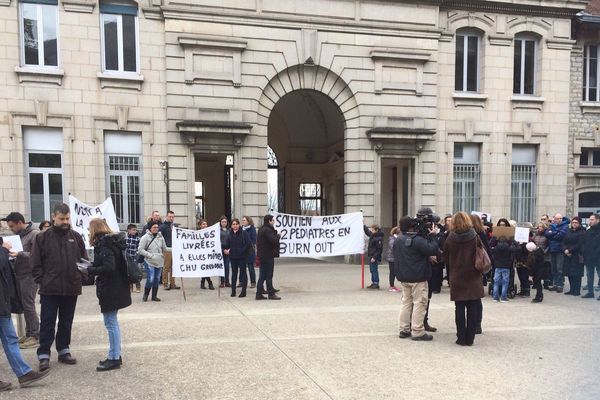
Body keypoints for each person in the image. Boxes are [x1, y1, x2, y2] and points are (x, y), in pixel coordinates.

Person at [31, 203, 87, 371]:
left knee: (66, 321)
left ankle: (63, 350)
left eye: (67, 218)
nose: (65, 221)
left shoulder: (76, 237)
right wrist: (43, 280)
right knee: (47, 322)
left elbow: (83, 260)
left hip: (71, 287)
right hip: (50, 289)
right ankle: (44, 354)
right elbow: (35, 263)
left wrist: (81, 276)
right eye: (62, 218)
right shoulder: (42, 237)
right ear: (54, 217)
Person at [0, 239, 49, 390]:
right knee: (10, 339)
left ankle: (24, 373)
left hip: (3, 303)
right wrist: (4, 250)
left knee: (11, 339)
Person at [86, 219, 132, 371]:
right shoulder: (111, 243)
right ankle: (115, 355)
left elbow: (109, 268)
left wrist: (89, 270)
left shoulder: (104, 245)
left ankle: (114, 358)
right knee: (113, 323)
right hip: (117, 287)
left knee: (111, 323)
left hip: (111, 289)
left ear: (95, 230)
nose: (88, 232)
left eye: (89, 229)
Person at [393, 216, 439, 341]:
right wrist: (433, 236)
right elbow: (432, 249)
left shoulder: (399, 239)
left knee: (406, 303)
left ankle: (404, 329)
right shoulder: (417, 240)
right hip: (418, 277)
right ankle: (417, 331)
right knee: (420, 303)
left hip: (404, 276)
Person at [443, 212, 484, 346]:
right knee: (473, 307)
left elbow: (445, 257)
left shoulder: (450, 238)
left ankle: (461, 337)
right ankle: (470, 338)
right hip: (473, 275)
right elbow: (482, 252)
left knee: (459, 308)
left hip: (457, 275)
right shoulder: (474, 236)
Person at [2, 212, 40, 349]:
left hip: (30, 275)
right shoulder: (18, 236)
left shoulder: (35, 234)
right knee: (24, 304)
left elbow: (38, 255)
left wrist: (20, 254)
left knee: (28, 304)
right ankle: (30, 332)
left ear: (19, 223)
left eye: (12, 226)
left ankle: (35, 335)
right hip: (19, 273)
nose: (11, 229)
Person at [469, 214, 490, 334]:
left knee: (473, 298)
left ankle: (474, 323)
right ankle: (477, 324)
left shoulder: (472, 233)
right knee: (477, 298)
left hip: (472, 268)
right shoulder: (482, 233)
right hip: (479, 268)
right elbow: (488, 250)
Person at [137, 221, 167, 302]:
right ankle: (145, 295)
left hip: (159, 261)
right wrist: (150, 255)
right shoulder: (145, 237)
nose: (156, 229)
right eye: (154, 227)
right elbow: (140, 249)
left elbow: (165, 248)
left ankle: (154, 296)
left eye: (157, 227)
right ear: (150, 228)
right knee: (151, 278)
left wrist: (175, 249)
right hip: (149, 261)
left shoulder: (161, 237)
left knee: (157, 279)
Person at [256, 215, 281, 300]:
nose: (274, 222)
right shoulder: (267, 230)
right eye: (273, 220)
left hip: (263, 255)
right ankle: (271, 294)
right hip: (268, 255)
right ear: (269, 221)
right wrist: (278, 236)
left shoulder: (261, 229)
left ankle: (259, 293)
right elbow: (274, 241)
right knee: (268, 275)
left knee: (262, 275)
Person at [545, 213, 570, 293]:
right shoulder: (551, 226)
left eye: (560, 218)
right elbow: (547, 234)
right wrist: (555, 233)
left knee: (560, 269)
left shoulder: (565, 226)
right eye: (557, 218)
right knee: (553, 268)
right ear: (554, 219)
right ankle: (555, 284)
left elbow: (561, 235)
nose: (559, 220)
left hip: (560, 250)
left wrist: (553, 234)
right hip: (552, 249)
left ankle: (560, 285)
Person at [228, 218, 252, 298]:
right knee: (234, 274)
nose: (235, 226)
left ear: (239, 225)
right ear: (231, 225)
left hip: (242, 256)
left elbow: (248, 244)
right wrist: (226, 249)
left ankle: (243, 291)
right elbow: (227, 244)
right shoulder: (229, 233)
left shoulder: (243, 233)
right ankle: (233, 291)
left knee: (243, 273)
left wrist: (242, 251)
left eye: (236, 224)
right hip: (233, 257)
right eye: (233, 224)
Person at [562, 217, 585, 296]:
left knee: (577, 274)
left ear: (579, 223)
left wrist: (570, 250)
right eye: (573, 222)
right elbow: (563, 242)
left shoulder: (582, 232)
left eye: (576, 222)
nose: (574, 224)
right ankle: (571, 289)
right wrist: (565, 249)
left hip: (577, 255)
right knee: (569, 273)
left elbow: (579, 244)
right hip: (568, 255)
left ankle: (576, 290)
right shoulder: (569, 231)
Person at [491, 236, 518, 302]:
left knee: (496, 282)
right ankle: (503, 298)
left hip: (497, 266)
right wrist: (513, 241)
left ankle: (495, 298)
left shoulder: (496, 248)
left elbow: (488, 248)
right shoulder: (509, 248)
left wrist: (493, 240)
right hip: (506, 266)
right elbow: (518, 248)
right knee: (505, 283)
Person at [160, 211, 180, 291]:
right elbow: (160, 238)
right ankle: (165, 283)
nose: (171, 218)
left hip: (174, 248)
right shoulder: (163, 226)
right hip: (167, 249)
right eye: (170, 217)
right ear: (167, 216)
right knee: (166, 267)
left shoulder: (173, 226)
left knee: (174, 267)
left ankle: (172, 283)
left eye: (173, 217)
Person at [582, 213, 600, 299]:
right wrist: (583, 252)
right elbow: (584, 243)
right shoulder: (588, 231)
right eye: (590, 219)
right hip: (588, 257)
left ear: (597, 220)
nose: (590, 221)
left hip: (598, 257)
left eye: (592, 219)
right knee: (589, 276)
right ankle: (590, 292)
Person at [364, 224, 384, 289]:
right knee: (372, 270)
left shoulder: (378, 238)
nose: (371, 231)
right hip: (371, 255)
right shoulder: (373, 235)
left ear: (376, 230)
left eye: (372, 229)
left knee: (374, 269)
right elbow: (367, 232)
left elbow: (379, 249)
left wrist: (374, 257)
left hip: (374, 256)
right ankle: (373, 282)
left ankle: (376, 283)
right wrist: (363, 225)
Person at [532, 222, 551, 289]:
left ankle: (546, 284)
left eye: (541, 226)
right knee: (535, 270)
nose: (539, 228)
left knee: (545, 270)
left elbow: (549, 245)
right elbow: (532, 242)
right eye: (539, 226)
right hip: (536, 254)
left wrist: (544, 252)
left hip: (544, 255)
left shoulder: (546, 235)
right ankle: (535, 283)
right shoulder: (535, 235)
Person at [197, 219, 215, 290]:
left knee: (205, 268)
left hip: (207, 253)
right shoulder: (197, 233)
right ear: (200, 225)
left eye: (206, 224)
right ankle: (210, 283)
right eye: (203, 224)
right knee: (204, 268)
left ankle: (203, 282)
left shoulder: (209, 233)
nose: (205, 225)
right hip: (200, 254)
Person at [125, 224, 141, 293]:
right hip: (127, 257)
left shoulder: (137, 238)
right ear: (129, 230)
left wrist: (137, 254)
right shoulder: (125, 238)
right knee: (128, 272)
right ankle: (130, 286)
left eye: (135, 230)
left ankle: (138, 286)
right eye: (133, 230)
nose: (135, 231)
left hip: (134, 257)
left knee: (136, 272)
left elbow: (139, 247)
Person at [242, 216, 257, 289]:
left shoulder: (252, 229)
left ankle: (253, 282)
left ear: (248, 221)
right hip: (242, 251)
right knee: (242, 267)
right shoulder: (241, 229)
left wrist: (246, 243)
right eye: (242, 220)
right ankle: (241, 281)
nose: (243, 221)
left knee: (250, 267)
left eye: (244, 220)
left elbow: (254, 240)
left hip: (249, 251)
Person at [386, 227, 400, 292]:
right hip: (392, 258)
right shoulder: (392, 238)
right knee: (392, 272)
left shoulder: (396, 238)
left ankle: (392, 285)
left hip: (395, 258)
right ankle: (391, 286)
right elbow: (393, 247)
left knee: (394, 272)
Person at [219, 216, 231, 288]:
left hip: (228, 250)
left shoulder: (229, 230)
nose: (224, 223)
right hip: (221, 250)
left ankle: (227, 281)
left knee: (227, 266)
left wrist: (229, 249)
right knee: (221, 266)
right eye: (223, 222)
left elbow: (232, 240)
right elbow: (217, 241)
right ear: (220, 223)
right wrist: (223, 249)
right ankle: (222, 282)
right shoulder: (218, 230)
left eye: (225, 222)